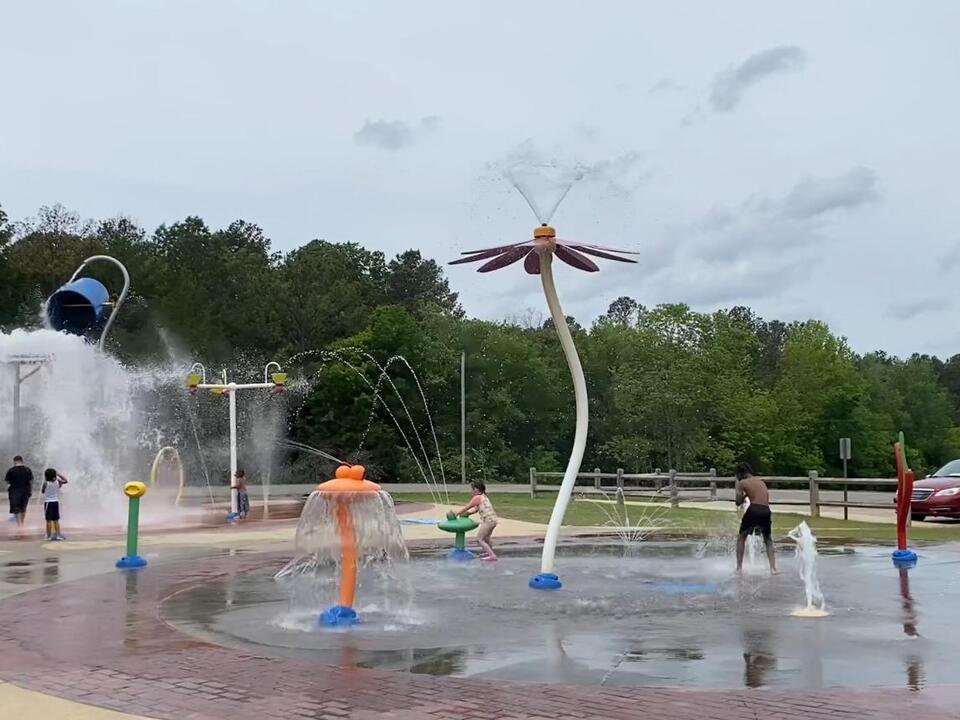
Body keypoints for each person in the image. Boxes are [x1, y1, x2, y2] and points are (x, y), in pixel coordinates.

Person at [735, 463, 778, 574]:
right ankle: (773, 568)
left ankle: (739, 568)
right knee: (768, 539)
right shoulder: (761, 481)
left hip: (754, 509)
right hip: (766, 510)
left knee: (741, 537)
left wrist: (744, 496)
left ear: (741, 474)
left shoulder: (742, 482)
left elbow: (738, 502)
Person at [454, 481, 498, 561]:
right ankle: (490, 552)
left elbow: (467, 507)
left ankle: (492, 556)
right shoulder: (484, 496)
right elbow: (475, 510)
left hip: (488, 521)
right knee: (487, 538)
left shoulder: (477, 498)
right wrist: (467, 513)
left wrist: (457, 513)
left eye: (472, 489)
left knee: (479, 539)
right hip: (494, 520)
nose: (471, 491)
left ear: (476, 489)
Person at [4, 456, 34, 530]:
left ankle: (19, 524)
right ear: (22, 461)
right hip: (26, 490)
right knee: (23, 507)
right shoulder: (27, 470)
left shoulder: (11, 470)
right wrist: (31, 490)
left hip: (15, 491)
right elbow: (31, 481)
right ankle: (22, 523)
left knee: (16, 508)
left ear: (14, 461)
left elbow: (7, 481)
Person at [41, 468, 68, 541]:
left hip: (48, 503)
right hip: (56, 502)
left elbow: (43, 491)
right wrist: (58, 474)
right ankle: (58, 535)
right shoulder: (57, 481)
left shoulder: (46, 483)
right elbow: (65, 481)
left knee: (48, 520)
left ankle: (48, 536)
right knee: (56, 520)